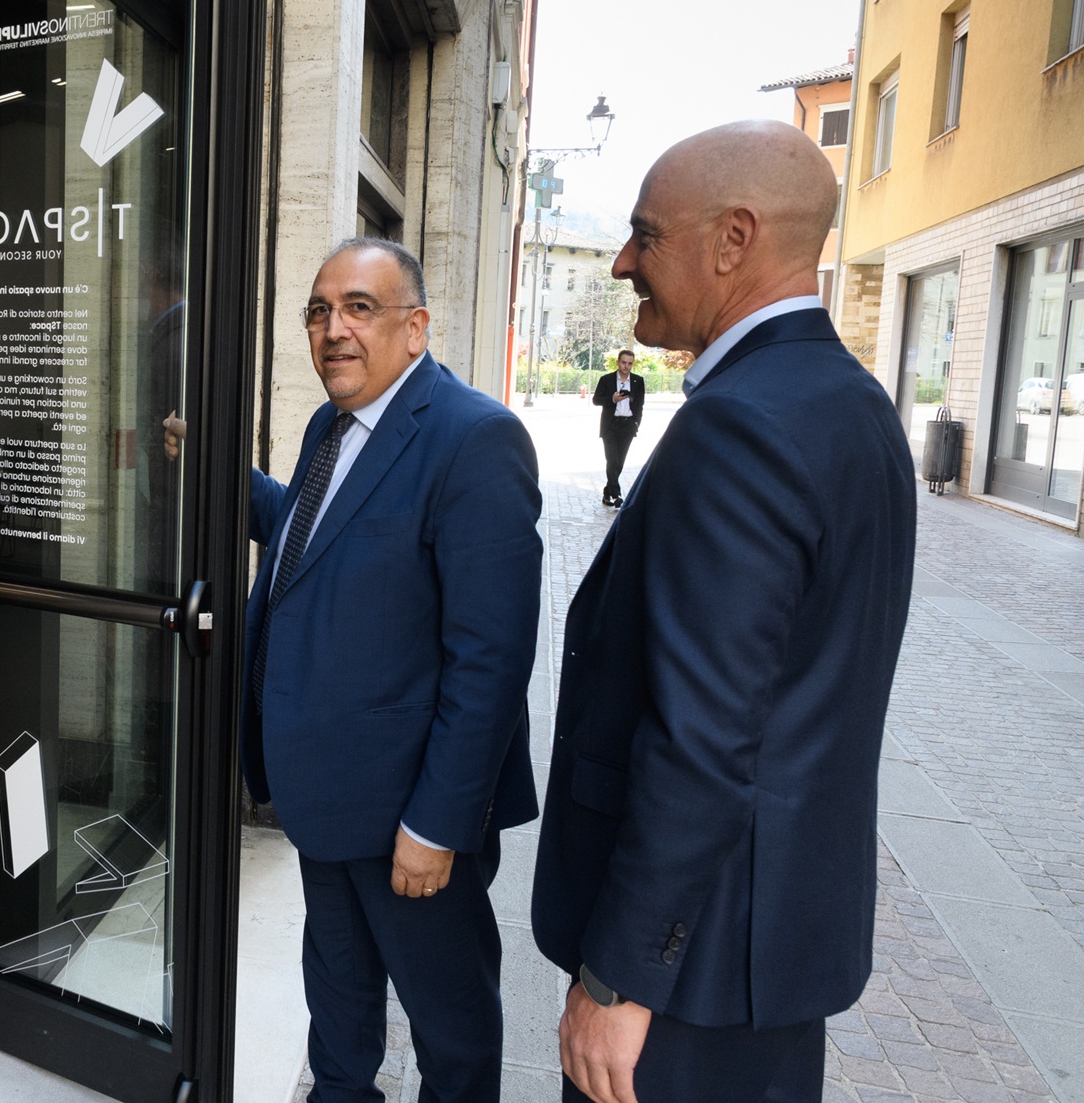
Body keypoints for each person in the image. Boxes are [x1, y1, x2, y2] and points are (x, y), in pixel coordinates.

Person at [530, 120, 916, 1103]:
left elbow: (702, 738)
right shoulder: (853, 404)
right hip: (770, 951)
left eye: (646, 235)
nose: (623, 262)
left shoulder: (739, 423)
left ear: (733, 239)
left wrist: (618, 979)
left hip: (687, 977)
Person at [243, 237, 543, 1102]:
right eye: (319, 311)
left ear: (416, 328)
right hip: (324, 798)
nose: (333, 328)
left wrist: (436, 826)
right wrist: (224, 471)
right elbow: (312, 538)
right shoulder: (329, 426)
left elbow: (490, 662)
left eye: (360, 308)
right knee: (338, 1021)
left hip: (410, 818)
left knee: (451, 1036)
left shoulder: (474, 438)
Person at [591, 350, 643, 507]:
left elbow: (639, 405)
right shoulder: (606, 380)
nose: (626, 366)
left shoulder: (638, 381)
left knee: (619, 463)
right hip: (610, 425)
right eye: (623, 362)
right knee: (612, 460)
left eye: (630, 363)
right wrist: (612, 399)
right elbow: (596, 400)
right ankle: (616, 494)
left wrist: (636, 424)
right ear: (618, 362)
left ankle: (607, 492)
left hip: (628, 426)